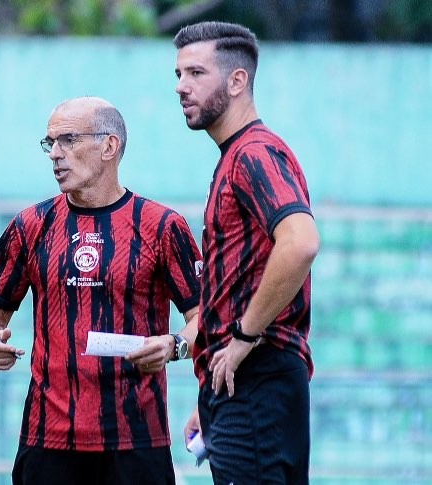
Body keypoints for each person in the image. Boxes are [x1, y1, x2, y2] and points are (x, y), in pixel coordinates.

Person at [0, 96, 202, 485]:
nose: (55, 155)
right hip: (48, 439)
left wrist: (175, 345)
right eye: (50, 143)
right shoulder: (31, 225)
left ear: (109, 147)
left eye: (69, 140)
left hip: (137, 439)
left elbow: (205, 320)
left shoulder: (162, 226)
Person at [173, 21, 321, 483]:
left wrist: (242, 340)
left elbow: (300, 242)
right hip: (242, 384)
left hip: (256, 376)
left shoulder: (253, 153)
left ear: (238, 81)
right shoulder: (236, 157)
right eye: (178, 75)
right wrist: (209, 391)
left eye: (196, 73)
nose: (181, 87)